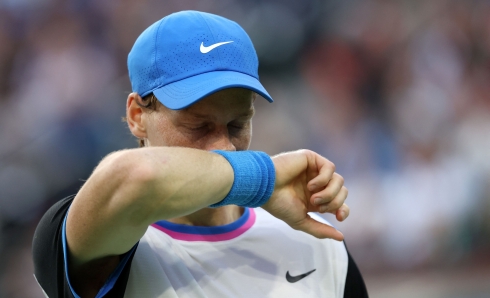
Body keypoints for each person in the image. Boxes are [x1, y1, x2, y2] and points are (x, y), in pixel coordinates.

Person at [32, 10, 368, 298]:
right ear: (137, 116)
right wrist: (260, 179)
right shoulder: (98, 233)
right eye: (198, 126)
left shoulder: (317, 244)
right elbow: (135, 177)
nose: (224, 147)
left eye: (237, 124)